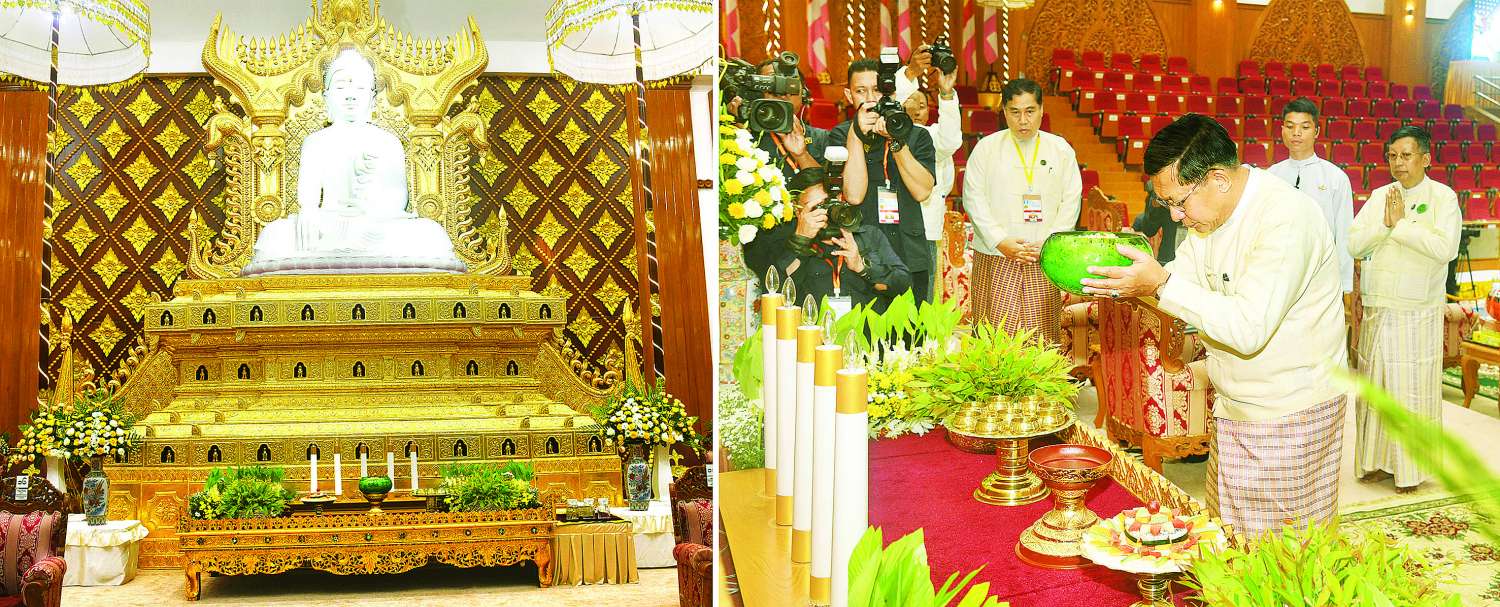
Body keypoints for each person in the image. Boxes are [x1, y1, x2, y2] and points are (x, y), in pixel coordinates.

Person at [1079, 114, 1348, 538]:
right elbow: (1178, 281)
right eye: (1167, 204)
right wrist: (1128, 281)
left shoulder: (1287, 218)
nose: (1176, 217)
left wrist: (1160, 284)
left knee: (1287, 555)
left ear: (1218, 179)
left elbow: (1247, 328)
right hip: (1233, 405)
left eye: (1178, 202)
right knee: (1231, 540)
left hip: (1290, 411)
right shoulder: (1209, 218)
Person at [247, 49, 464, 275]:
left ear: (372, 99)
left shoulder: (387, 141)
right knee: (273, 236)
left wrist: (368, 204)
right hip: (328, 223)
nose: (350, 96)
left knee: (431, 234)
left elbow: (398, 199)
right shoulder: (316, 142)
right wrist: (310, 214)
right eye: (341, 87)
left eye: (360, 88)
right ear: (326, 97)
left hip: (376, 223)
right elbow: (308, 200)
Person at [1348, 125, 1460, 494]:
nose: (1398, 162)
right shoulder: (1380, 195)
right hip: (1379, 306)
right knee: (1377, 389)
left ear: (1425, 158)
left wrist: (1401, 226)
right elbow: (1354, 244)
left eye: (1406, 155)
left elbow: (1445, 249)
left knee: (1409, 392)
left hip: (1417, 310)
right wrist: (1384, 225)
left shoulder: (1443, 198)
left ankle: (1410, 471)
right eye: (1393, 156)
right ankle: (1375, 463)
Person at [961, 77, 1081, 346]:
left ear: (1041, 109)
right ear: (1004, 112)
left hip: (1042, 255)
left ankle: (1042, 377)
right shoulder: (986, 148)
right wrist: (999, 240)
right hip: (997, 254)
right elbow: (973, 197)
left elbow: (1071, 199)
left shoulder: (1060, 149)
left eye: (1030, 111)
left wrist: (1050, 242)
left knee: (1041, 336)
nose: (1023, 120)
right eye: (1015, 112)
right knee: (994, 335)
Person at [828, 58, 937, 303]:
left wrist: (896, 141)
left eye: (877, 90)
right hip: (863, 255)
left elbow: (922, 191)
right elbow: (854, 195)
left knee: (913, 327)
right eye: (860, 91)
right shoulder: (840, 135)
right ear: (849, 95)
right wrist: (855, 135)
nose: (870, 99)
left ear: (890, 92)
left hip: (909, 252)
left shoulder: (917, 135)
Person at [741, 167, 911, 310]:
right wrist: (800, 241)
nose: (825, 213)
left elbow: (902, 286)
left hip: (864, 332)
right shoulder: (783, 241)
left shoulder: (868, 235)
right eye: (815, 207)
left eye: (828, 203)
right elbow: (775, 293)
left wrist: (862, 267)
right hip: (811, 334)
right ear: (798, 211)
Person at [1268, 97, 1355, 296]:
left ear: (1316, 131)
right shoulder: (1272, 175)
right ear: (1282, 130)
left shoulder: (1335, 177)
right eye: (1290, 126)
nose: (1296, 133)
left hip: (1320, 273)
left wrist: (1345, 285)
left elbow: (1344, 234)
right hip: (1279, 272)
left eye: (1305, 127)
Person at [897, 65, 961, 299]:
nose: (915, 111)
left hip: (925, 230)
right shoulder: (885, 135)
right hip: (892, 229)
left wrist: (946, 94)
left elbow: (951, 139)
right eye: (909, 103)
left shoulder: (933, 136)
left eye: (922, 106)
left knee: (923, 298)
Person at [1129, 181, 1183, 264]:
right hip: (1169, 257)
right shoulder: (1158, 191)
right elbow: (1149, 230)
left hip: (1189, 255)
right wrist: (1154, 205)